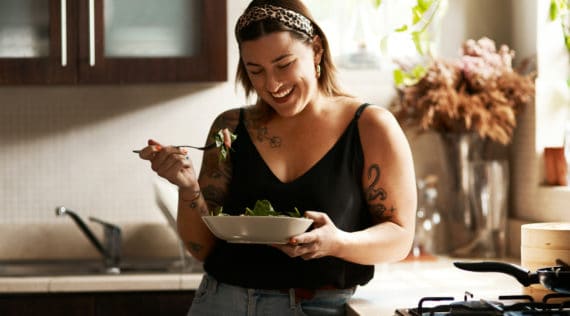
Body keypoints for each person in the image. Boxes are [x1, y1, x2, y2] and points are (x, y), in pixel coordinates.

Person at [138, 0, 417, 315]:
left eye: (284, 64)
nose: (272, 85)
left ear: (316, 50)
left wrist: (335, 243)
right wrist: (188, 188)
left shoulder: (370, 127)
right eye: (255, 71)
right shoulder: (231, 128)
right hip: (220, 302)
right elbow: (201, 248)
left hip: (318, 307)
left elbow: (400, 238)